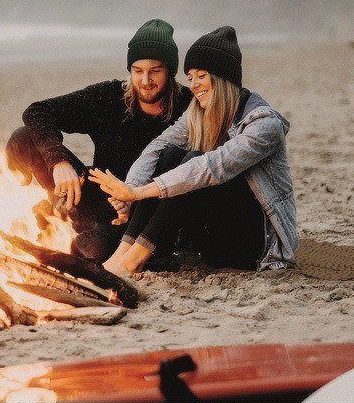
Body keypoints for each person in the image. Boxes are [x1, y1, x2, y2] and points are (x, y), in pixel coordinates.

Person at [89, 26, 298, 275]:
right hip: (210, 238)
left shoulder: (264, 124)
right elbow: (158, 147)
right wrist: (129, 191)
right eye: (190, 77)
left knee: (194, 165)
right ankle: (123, 252)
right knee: (170, 155)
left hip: (255, 246)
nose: (194, 85)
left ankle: (132, 261)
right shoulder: (198, 112)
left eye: (201, 76)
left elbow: (213, 167)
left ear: (223, 78)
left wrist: (139, 193)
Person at [5, 19, 193, 262]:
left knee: (90, 250)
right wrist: (59, 162)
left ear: (170, 71)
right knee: (22, 139)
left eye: (155, 71)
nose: (145, 80)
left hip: (143, 217)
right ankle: (58, 212)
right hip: (96, 200)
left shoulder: (188, 107)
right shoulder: (109, 97)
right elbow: (37, 111)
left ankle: (83, 238)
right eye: (138, 71)